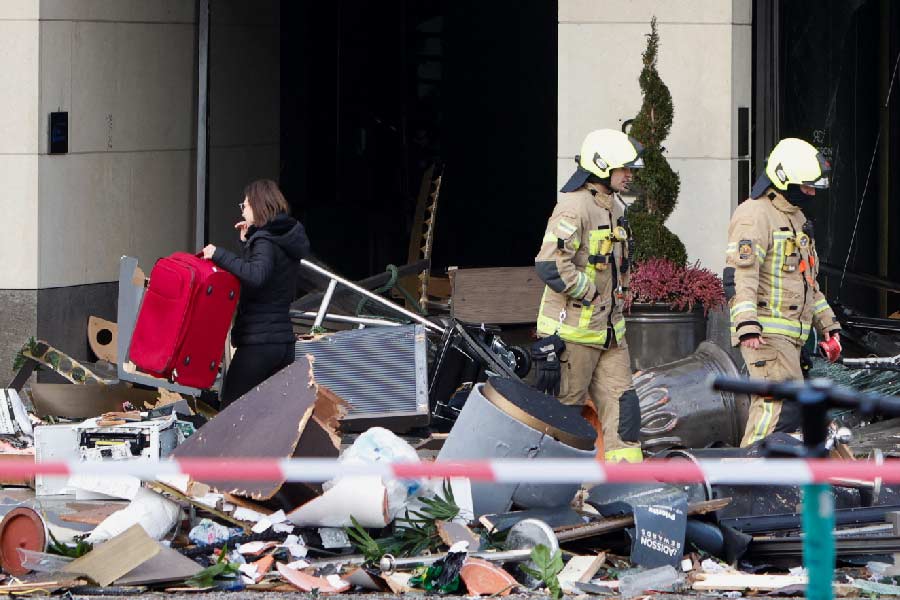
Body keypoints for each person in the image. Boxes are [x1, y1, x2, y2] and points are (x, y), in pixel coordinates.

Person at [532, 129, 644, 463]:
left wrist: (623, 290)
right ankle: (551, 493)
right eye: (624, 169)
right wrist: (592, 292)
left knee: (625, 414)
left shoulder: (614, 210)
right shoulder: (573, 207)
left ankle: (624, 490)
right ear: (601, 167)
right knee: (563, 420)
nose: (629, 175)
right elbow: (550, 265)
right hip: (573, 336)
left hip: (610, 335)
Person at [724, 137, 841, 447]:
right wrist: (747, 325)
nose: (812, 193)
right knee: (776, 408)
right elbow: (740, 276)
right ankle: (749, 475)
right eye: (806, 186)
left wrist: (829, 327)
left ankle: (771, 479)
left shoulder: (796, 218)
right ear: (784, 179)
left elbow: (808, 283)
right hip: (765, 335)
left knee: (791, 415)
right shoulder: (755, 215)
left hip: (792, 338)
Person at [202, 179, 311, 407]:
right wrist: (246, 242)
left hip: (259, 344)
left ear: (258, 206)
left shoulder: (264, 240)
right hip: (282, 344)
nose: (243, 210)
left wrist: (218, 254)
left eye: (245, 206)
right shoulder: (283, 238)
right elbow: (268, 278)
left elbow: (256, 276)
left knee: (231, 412)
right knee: (268, 417)